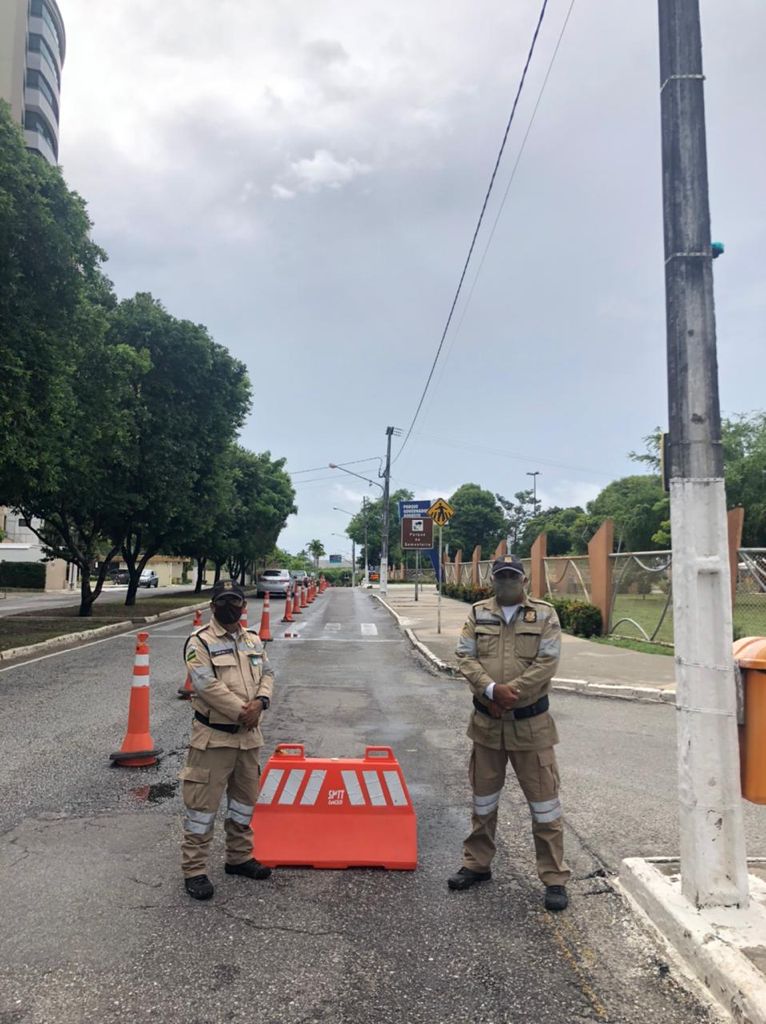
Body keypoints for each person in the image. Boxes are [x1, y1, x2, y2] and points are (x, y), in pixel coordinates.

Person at [448, 555, 571, 911]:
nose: (506, 582)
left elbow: (547, 663)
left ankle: (553, 877)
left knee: (545, 806)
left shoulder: (545, 615)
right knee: (482, 801)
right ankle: (477, 864)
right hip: (487, 724)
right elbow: (465, 657)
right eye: (500, 576)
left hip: (530, 726)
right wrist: (490, 690)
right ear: (493, 580)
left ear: (524, 581)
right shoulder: (478, 614)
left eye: (512, 577)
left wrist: (509, 692)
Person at [180, 579, 274, 901]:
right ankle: (194, 870)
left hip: (248, 740)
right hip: (214, 739)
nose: (230, 607)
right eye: (224, 601)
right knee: (202, 809)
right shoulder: (199, 642)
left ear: (243, 606)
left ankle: (239, 858)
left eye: (235, 601)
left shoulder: (252, 640)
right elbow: (206, 685)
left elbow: (268, 674)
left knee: (244, 804)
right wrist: (242, 711)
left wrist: (261, 702)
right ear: (213, 606)